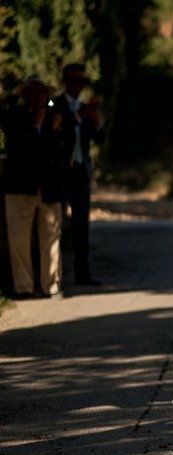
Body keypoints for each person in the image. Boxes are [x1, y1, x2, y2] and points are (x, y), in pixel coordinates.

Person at [0, 76, 65, 298]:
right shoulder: (14, 117)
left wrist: (54, 130)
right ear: (25, 94)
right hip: (19, 187)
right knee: (18, 240)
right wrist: (34, 125)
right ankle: (24, 286)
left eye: (42, 92)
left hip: (49, 188)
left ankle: (51, 285)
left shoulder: (56, 117)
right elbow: (16, 149)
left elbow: (61, 152)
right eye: (34, 91)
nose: (38, 96)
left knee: (51, 239)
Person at [53, 63, 105, 286]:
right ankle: (53, 274)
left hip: (81, 172)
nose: (78, 86)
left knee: (81, 224)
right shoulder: (56, 104)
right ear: (65, 81)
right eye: (74, 81)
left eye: (82, 82)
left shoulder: (86, 108)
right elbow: (52, 134)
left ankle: (82, 272)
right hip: (60, 172)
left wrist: (97, 122)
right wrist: (74, 117)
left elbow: (98, 139)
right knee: (54, 223)